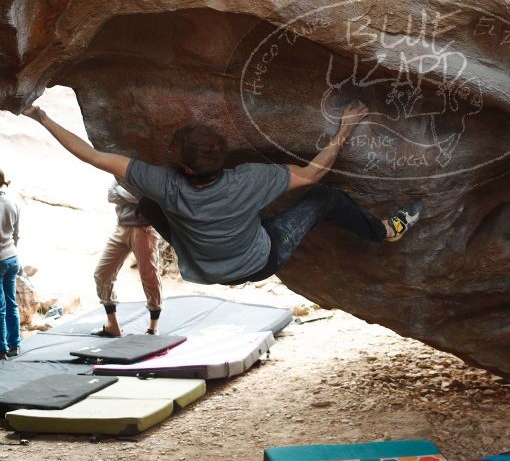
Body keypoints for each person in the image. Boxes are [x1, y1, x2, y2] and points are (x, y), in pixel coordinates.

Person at [22, 101, 422, 286]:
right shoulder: (249, 179)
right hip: (257, 260)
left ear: (186, 168)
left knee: (145, 203)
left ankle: (386, 231)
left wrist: (42, 117)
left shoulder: (160, 183)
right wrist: (344, 129)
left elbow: (90, 155)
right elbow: (313, 175)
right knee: (326, 199)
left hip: (205, 268)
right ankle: (381, 231)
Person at [93, 178, 163, 337]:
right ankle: (113, 325)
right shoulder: (118, 170)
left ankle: (153, 328)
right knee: (102, 273)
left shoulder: (146, 170)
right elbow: (111, 196)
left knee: (149, 276)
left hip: (144, 230)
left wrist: (123, 191)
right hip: (121, 228)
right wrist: (134, 196)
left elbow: (144, 197)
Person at [0, 168, 21, 359]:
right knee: (11, 302)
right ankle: (15, 344)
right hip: (12, 256)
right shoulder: (13, 202)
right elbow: (16, 234)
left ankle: (1, 349)